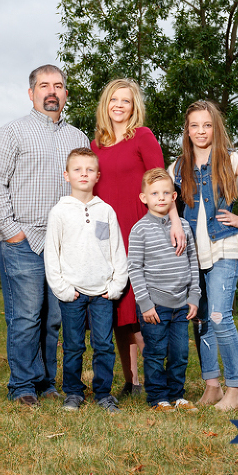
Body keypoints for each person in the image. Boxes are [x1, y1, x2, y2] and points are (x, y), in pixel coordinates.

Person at [0, 65, 90, 407]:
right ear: (30, 93)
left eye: (58, 86)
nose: (52, 91)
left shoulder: (79, 139)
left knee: (52, 320)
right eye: (44, 86)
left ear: (65, 94)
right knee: (26, 317)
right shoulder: (12, 133)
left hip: (63, 244)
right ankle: (22, 386)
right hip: (23, 240)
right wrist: (10, 230)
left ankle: (47, 381)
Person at [170, 100, 238, 411]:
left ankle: (235, 390)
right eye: (194, 125)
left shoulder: (230, 161)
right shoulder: (176, 168)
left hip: (223, 248)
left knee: (220, 316)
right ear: (187, 130)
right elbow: (167, 206)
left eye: (207, 125)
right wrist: (175, 226)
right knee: (202, 318)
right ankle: (212, 386)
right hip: (192, 254)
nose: (201, 131)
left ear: (215, 128)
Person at [90, 78, 185, 397]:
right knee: (118, 310)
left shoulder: (143, 137)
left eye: (126, 101)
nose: (119, 105)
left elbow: (161, 180)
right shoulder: (96, 145)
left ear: (134, 107)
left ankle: (155, 378)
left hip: (141, 228)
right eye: (114, 100)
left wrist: (174, 221)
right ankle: (132, 381)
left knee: (144, 307)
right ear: (106, 105)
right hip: (107, 233)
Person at [44, 148, 128, 413]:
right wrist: (63, 289)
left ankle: (104, 393)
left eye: (89, 170)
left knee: (103, 344)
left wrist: (116, 286)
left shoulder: (106, 211)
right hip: (73, 293)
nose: (84, 174)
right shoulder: (60, 211)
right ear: (67, 175)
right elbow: (52, 254)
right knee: (73, 345)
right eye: (78, 169)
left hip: (103, 292)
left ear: (97, 176)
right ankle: (73, 392)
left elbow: (117, 250)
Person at [127, 168, 200, 412]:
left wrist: (194, 296)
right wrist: (145, 304)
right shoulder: (139, 230)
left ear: (173, 197)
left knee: (179, 354)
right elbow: (134, 268)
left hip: (181, 304)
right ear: (143, 198)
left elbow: (193, 263)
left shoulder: (185, 228)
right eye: (155, 193)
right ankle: (158, 398)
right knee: (156, 353)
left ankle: (177, 394)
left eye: (166, 193)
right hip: (155, 306)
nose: (161, 197)